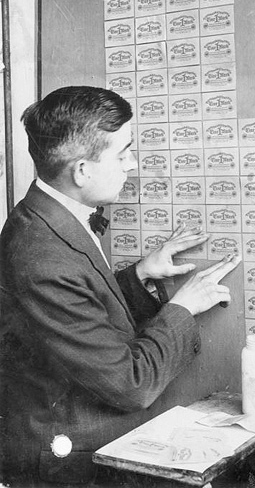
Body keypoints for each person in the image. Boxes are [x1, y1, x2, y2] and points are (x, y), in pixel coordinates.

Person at [0, 86, 241, 487]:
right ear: (82, 171)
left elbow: (76, 316)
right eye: (123, 153)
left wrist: (139, 275)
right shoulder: (39, 255)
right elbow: (130, 385)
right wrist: (183, 308)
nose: (132, 165)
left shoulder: (47, 215)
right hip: (69, 463)